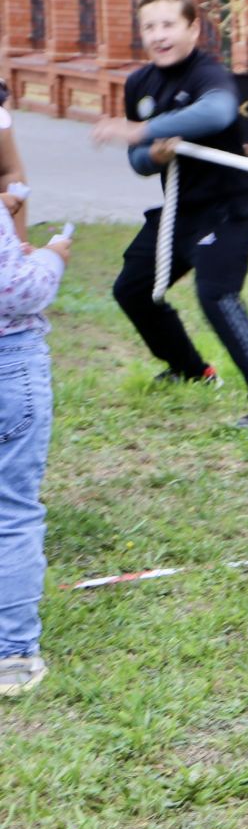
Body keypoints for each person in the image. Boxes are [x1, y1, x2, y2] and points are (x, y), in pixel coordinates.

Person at [89, 0, 248, 429]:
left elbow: (218, 113)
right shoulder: (139, 83)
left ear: (192, 28)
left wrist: (143, 129)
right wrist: (153, 152)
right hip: (179, 211)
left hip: (227, 209)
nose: (159, 35)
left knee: (216, 293)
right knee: (132, 290)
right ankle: (191, 370)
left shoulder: (209, 74)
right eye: (149, 26)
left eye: (168, 24)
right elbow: (139, 163)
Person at [0, 90, 73, 695]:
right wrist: (49, 259)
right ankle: (13, 654)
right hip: (10, 366)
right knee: (13, 511)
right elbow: (15, 293)